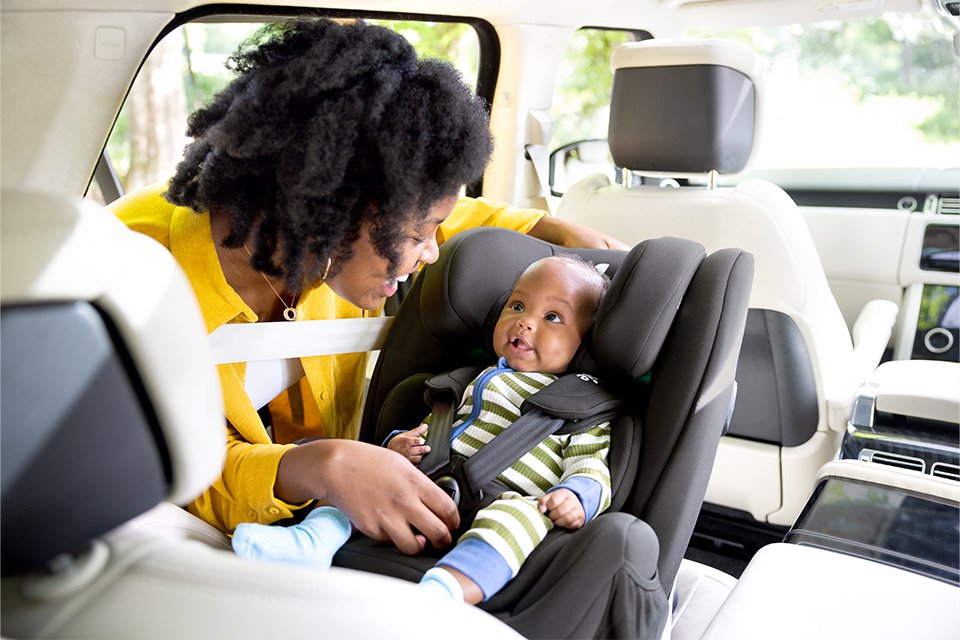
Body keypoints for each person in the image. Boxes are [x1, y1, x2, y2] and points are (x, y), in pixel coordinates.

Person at [109, 17, 625, 552]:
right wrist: (322, 467)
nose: (431, 251)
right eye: (422, 233)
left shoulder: (337, 229)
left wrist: (547, 227)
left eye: (434, 230)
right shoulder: (129, 271)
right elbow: (162, 462)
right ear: (334, 207)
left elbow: (446, 211)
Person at [231, 255, 614, 605]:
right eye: (517, 305)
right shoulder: (468, 380)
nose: (525, 321)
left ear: (584, 342)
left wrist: (575, 495)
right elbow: (430, 432)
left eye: (553, 317)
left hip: (506, 497)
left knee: (520, 521)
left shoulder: (578, 404)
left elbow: (591, 465)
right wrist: (397, 447)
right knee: (361, 479)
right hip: (431, 482)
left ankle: (443, 593)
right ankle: (310, 542)